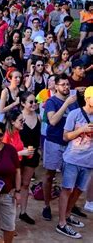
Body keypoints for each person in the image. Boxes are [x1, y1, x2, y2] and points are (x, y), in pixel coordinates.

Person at [56, 86, 93, 239]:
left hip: (89, 161)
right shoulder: (75, 114)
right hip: (72, 158)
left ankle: (68, 214)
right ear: (87, 98)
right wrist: (82, 129)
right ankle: (62, 223)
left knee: (78, 191)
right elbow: (65, 137)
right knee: (67, 190)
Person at [42, 74, 79, 221]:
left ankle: (67, 208)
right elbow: (52, 121)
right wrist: (65, 104)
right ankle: (46, 205)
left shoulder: (74, 102)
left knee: (70, 177)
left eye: (67, 84)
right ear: (56, 86)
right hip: (54, 142)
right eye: (63, 84)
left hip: (70, 144)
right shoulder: (51, 101)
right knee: (50, 175)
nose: (66, 87)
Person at [18, 91, 41, 225]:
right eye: (30, 102)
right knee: (15, 185)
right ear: (22, 103)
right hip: (20, 155)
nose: (34, 104)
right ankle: (10, 216)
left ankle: (23, 212)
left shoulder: (38, 117)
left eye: (35, 102)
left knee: (26, 184)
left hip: (32, 155)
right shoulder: (19, 118)